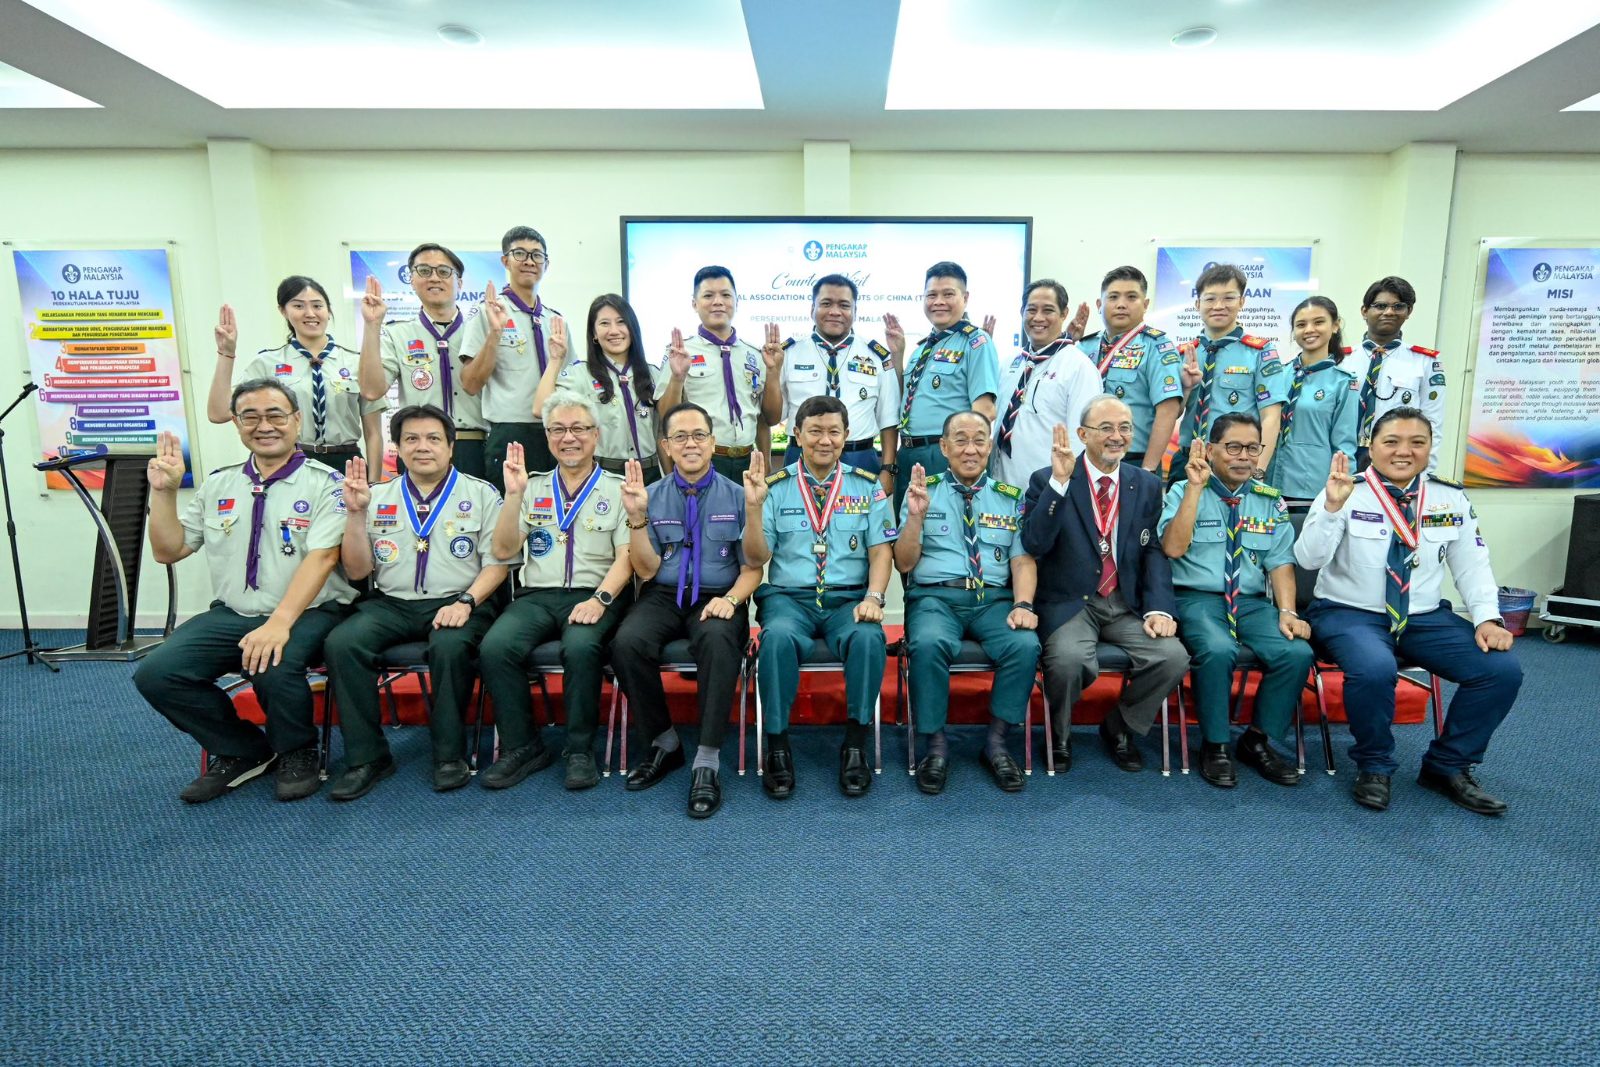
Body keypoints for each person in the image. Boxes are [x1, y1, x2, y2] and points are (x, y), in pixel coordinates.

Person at [135, 380, 355, 803]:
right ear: (236, 424)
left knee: (273, 662)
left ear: (296, 420)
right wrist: (162, 493)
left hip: (312, 611)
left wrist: (278, 623)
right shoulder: (219, 485)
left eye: (275, 415)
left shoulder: (326, 484)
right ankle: (242, 750)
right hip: (233, 613)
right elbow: (170, 550)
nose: (264, 426)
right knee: (157, 673)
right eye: (250, 416)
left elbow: (324, 558)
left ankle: (297, 750)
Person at [1295, 408, 1520, 816]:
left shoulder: (1449, 496)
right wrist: (1330, 508)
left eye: (1417, 442)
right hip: (1349, 613)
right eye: (1391, 442)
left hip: (1423, 615)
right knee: (1375, 668)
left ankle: (1447, 765)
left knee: (1500, 671)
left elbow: (1471, 564)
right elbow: (1309, 560)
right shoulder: (1347, 490)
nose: (1404, 451)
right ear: (1371, 447)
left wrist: (1488, 617)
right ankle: (1375, 765)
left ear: (1430, 447)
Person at [322, 405, 507, 800]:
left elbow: (498, 564)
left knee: (450, 645)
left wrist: (466, 602)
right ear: (399, 448)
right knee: (342, 643)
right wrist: (355, 516)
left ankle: (449, 755)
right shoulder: (377, 496)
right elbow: (357, 571)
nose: (423, 447)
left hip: (461, 601)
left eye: (433, 439)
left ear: (451, 447)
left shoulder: (481, 494)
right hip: (391, 603)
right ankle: (368, 757)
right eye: (412, 439)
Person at [611, 402, 764, 819]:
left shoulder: (740, 494)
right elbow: (645, 569)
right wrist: (638, 518)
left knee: (717, 640)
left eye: (699, 435)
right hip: (663, 594)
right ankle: (665, 743)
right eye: (680, 436)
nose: (691, 443)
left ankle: (708, 760)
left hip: (720, 593)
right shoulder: (650, 495)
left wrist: (731, 600)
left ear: (713, 442)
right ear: (666, 446)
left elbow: (754, 566)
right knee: (627, 642)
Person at [1021, 395, 1188, 772]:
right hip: (1070, 602)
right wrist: (1059, 484)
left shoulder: (1144, 484)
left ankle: (1120, 727)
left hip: (1124, 602)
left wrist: (1160, 607)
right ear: (1082, 434)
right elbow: (1034, 544)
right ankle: (1059, 735)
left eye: (1125, 427)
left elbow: (1153, 551)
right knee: (1067, 660)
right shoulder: (1047, 479)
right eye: (1107, 428)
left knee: (1172, 656)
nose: (1117, 436)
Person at [478, 394, 633, 792]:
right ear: (547, 437)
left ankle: (579, 750)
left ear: (596, 435)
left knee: (581, 647)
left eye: (579, 428)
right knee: (495, 646)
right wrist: (513, 497)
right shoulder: (530, 487)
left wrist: (600, 601)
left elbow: (626, 557)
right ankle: (522, 746)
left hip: (596, 594)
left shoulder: (618, 489)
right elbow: (503, 551)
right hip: (537, 596)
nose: (569, 438)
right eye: (558, 429)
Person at [745, 395, 896, 799]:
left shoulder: (868, 488)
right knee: (775, 640)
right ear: (797, 435)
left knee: (868, 638)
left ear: (846, 437)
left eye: (833, 431)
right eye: (814, 431)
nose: (824, 440)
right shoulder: (775, 488)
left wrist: (875, 598)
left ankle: (855, 745)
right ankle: (776, 745)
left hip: (848, 600)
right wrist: (754, 510)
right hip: (789, 599)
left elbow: (881, 551)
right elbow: (757, 557)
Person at [1159, 415, 1313, 788]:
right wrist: (1195, 490)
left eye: (1252, 448)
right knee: (1216, 648)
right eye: (1233, 447)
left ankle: (1256, 740)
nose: (1243, 456)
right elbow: (1172, 548)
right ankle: (1215, 745)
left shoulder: (1269, 500)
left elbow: (1280, 564)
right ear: (1211, 450)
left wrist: (1288, 612)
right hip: (1198, 598)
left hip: (1251, 602)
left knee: (1296, 653)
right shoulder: (1182, 491)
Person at [896, 411, 1039, 795]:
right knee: (927, 644)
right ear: (943, 447)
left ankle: (996, 742)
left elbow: (1022, 560)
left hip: (992, 599)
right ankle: (936, 746)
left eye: (979, 440)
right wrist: (914, 519)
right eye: (960, 440)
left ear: (990, 446)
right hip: (935, 597)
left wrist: (1023, 605)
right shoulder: (922, 492)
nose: (970, 449)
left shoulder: (1011, 498)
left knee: (1024, 645)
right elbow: (904, 563)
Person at [213, 275, 386, 474]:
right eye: (298, 306)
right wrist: (226, 353)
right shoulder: (267, 363)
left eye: (317, 306)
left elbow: (373, 433)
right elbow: (219, 413)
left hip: (346, 463)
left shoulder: (356, 362)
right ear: (283, 311)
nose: (310, 313)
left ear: (328, 311)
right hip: (288, 462)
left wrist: (373, 482)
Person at [357, 243, 489, 480]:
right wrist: (371, 326)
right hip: (419, 449)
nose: (434, 278)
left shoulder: (481, 332)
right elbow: (371, 390)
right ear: (412, 280)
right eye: (424, 271)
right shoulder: (397, 334)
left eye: (444, 271)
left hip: (474, 447)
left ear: (459, 282)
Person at [763, 273, 900, 496]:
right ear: (812, 309)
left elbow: (889, 420)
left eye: (844, 305)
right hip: (801, 457)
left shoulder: (877, 356)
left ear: (855, 311)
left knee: (860, 529)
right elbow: (772, 418)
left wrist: (888, 469)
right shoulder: (788, 353)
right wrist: (772, 372)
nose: (835, 311)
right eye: (826, 303)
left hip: (860, 459)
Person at [459, 226, 566, 488]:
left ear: (546, 264)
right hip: (511, 432)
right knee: (510, 515)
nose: (529, 261)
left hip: (557, 431)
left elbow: (568, 379)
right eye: (520, 253)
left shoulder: (555, 320)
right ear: (505, 260)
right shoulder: (488, 312)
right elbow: (470, 384)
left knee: (553, 514)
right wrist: (495, 333)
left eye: (537, 255)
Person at [887, 261, 1000, 511]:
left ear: (965, 297)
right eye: (932, 295)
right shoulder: (922, 349)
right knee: (908, 534)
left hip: (944, 454)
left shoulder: (976, 342)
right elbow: (906, 399)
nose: (938, 301)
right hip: (907, 454)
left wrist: (962, 454)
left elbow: (984, 409)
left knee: (943, 533)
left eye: (948, 294)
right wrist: (898, 356)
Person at [656, 266, 773, 483]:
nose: (718, 301)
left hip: (747, 459)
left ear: (737, 301)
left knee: (748, 517)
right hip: (702, 460)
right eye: (708, 295)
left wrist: (766, 460)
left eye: (726, 295)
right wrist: (677, 378)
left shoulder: (755, 355)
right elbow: (665, 416)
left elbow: (763, 419)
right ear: (694, 303)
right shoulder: (680, 351)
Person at [1175, 263, 1288, 484]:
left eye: (1228, 298)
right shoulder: (1185, 353)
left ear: (1241, 302)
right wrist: (1187, 389)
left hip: (1237, 464)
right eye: (1210, 299)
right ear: (1197, 304)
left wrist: (1258, 471)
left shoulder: (1260, 352)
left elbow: (1271, 417)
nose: (1218, 305)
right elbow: (1175, 412)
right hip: (1189, 458)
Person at [533, 293, 664, 482]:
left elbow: (664, 428)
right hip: (604, 474)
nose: (614, 331)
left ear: (632, 328)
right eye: (604, 324)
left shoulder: (653, 374)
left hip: (650, 474)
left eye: (621, 322)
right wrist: (555, 360)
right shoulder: (581, 375)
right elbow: (540, 409)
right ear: (594, 333)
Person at [990, 279, 1102, 488]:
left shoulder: (1079, 367)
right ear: (1022, 311)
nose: (1038, 318)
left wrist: (1064, 488)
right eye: (1031, 310)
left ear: (1064, 313)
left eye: (1048, 310)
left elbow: (1083, 439)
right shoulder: (1010, 363)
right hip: (1000, 487)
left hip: (1048, 488)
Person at [1076, 266, 1184, 472]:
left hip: (1134, 460)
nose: (1121, 305)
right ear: (1100, 304)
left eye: (1131, 297)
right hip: (1085, 460)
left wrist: (1148, 469)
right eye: (1113, 297)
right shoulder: (1084, 347)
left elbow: (1168, 410)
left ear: (1145, 305)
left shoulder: (1157, 347)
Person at [1342, 276, 1447, 471]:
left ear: (1408, 312)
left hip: (1396, 456)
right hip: (1344, 454)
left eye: (1398, 306)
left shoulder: (1425, 362)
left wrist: (1425, 474)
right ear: (1365, 311)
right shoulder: (1341, 359)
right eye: (1380, 306)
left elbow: (1432, 424)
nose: (1389, 312)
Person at [1267, 296, 1359, 502]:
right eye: (1301, 325)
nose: (1309, 329)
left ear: (1335, 326)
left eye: (1318, 322)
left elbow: (1344, 445)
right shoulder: (1277, 376)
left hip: (1312, 489)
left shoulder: (1343, 382)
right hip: (1268, 483)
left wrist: (1344, 492)